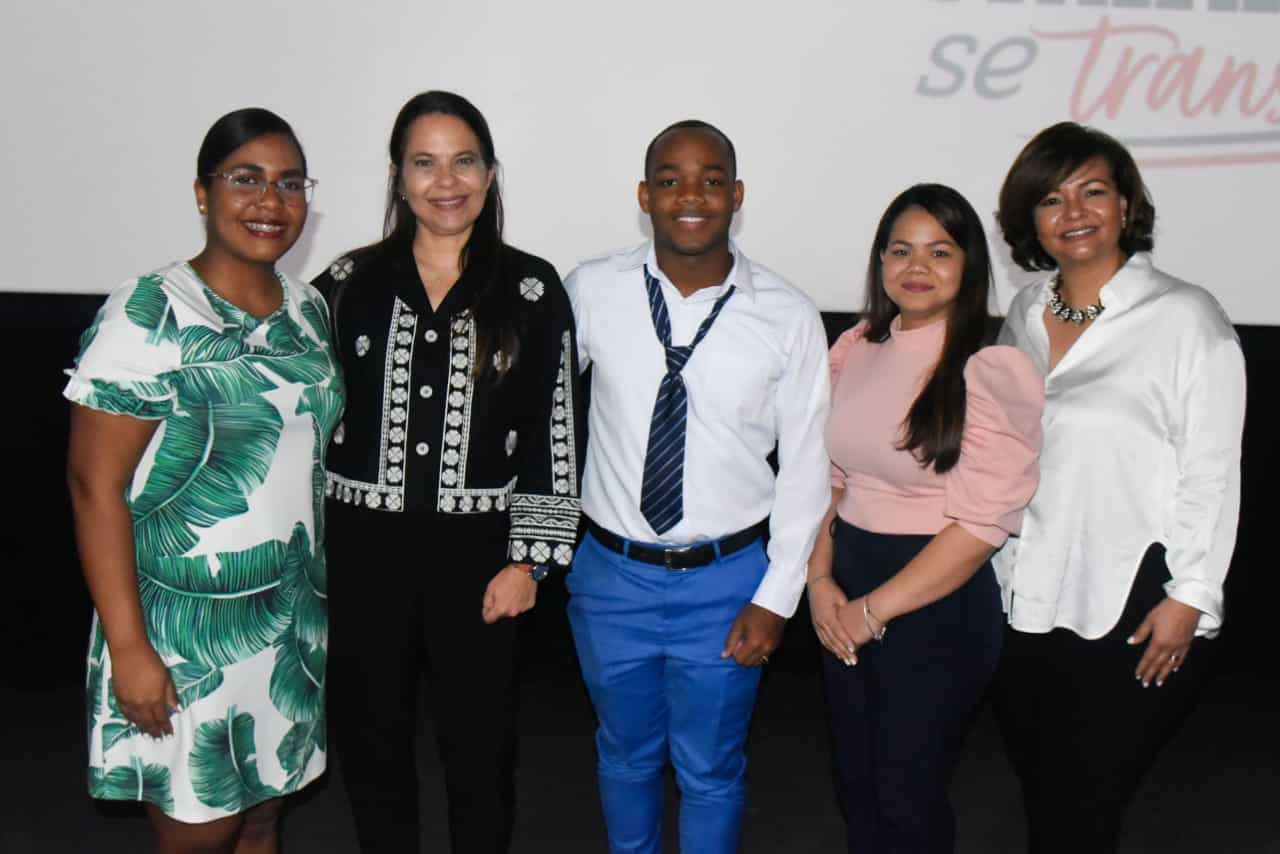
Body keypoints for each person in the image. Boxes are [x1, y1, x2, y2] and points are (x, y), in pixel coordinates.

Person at [312, 90, 583, 854]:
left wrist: (531, 561)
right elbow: (307, 427)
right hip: (362, 554)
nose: (445, 180)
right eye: (423, 163)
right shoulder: (343, 285)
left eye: (463, 160)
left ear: (491, 174)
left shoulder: (531, 290)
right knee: (372, 745)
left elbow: (555, 434)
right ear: (398, 179)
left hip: (482, 563)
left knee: (482, 752)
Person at [65, 108, 340, 853]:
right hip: (183, 632)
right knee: (201, 827)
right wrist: (130, 648)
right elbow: (95, 488)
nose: (270, 200)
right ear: (201, 192)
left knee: (261, 818)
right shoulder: (150, 309)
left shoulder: (310, 310)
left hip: (287, 624)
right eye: (245, 179)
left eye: (289, 183)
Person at [562, 119, 831, 854]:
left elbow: (808, 470)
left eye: (711, 179)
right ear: (644, 195)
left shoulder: (788, 315)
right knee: (624, 755)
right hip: (610, 577)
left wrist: (777, 599)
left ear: (736, 196)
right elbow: (542, 422)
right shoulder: (590, 290)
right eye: (672, 179)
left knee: (710, 768)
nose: (692, 195)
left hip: (728, 581)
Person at [989, 122, 1247, 853]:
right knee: (1043, 792)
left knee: (1085, 801)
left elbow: (1213, 469)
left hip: (1135, 600)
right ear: (1028, 221)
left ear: (1127, 205)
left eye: (1092, 191)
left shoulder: (1187, 318)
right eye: (1050, 199)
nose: (1073, 212)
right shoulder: (1023, 313)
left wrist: (1191, 596)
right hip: (1021, 594)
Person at [807, 184, 1043, 853]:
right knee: (858, 784)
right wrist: (820, 581)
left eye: (941, 251)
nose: (918, 265)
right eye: (902, 249)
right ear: (880, 262)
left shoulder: (989, 367)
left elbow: (980, 529)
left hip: (934, 603)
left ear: (969, 266)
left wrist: (873, 610)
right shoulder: (856, 348)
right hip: (846, 583)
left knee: (908, 793)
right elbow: (835, 483)